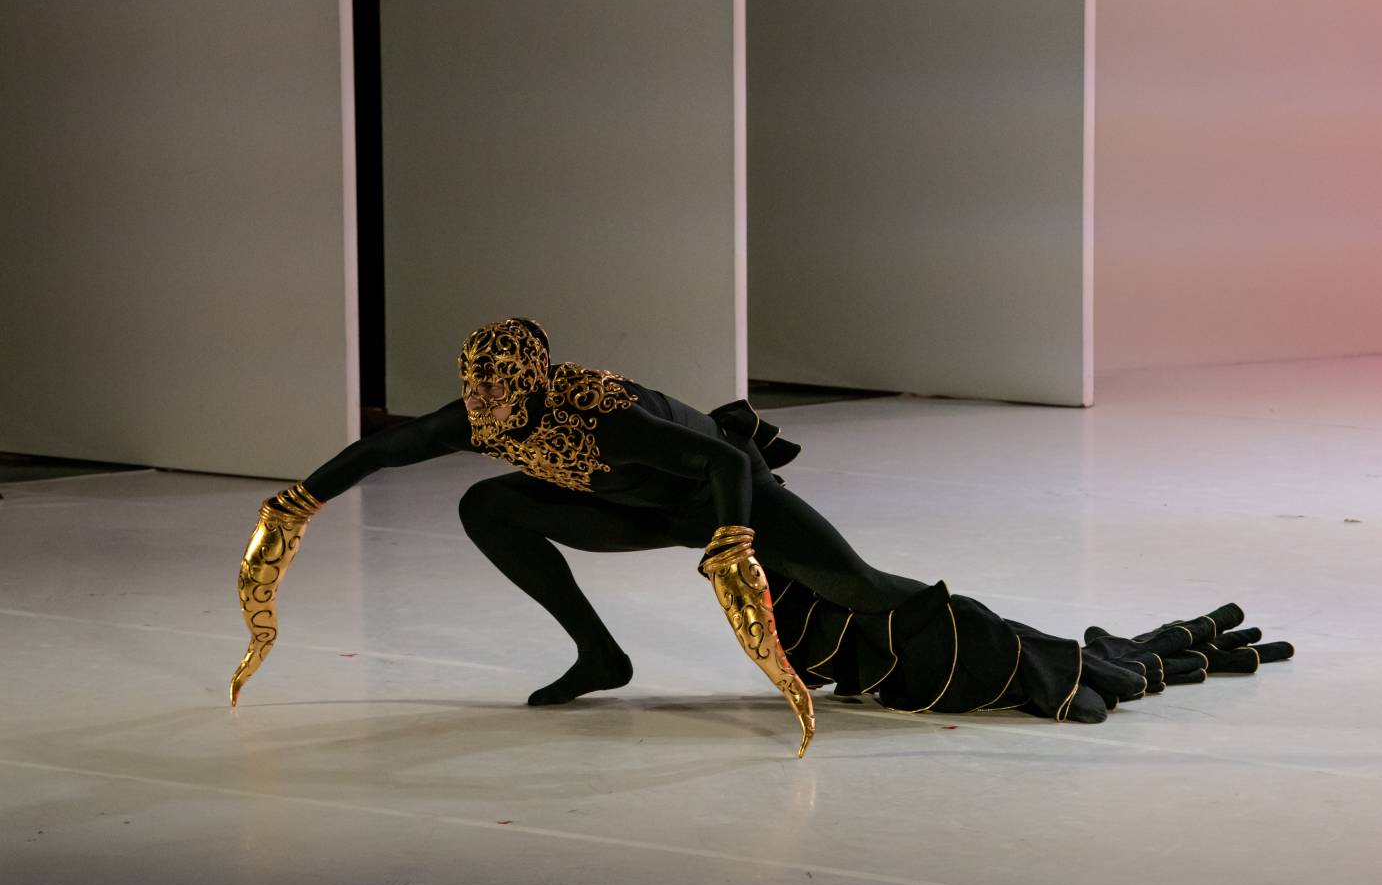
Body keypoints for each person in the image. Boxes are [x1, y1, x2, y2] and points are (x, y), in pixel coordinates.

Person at [230, 318, 1292, 757]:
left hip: (723, 498)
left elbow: (724, 458)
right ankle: (598, 652)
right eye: (476, 394)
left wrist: (736, 538)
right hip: (636, 515)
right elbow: (376, 456)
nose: (484, 409)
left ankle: (1077, 656)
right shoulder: (475, 418)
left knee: (867, 594)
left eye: (501, 392)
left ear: (535, 381)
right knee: (486, 504)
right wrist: (293, 508)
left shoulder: (597, 404)